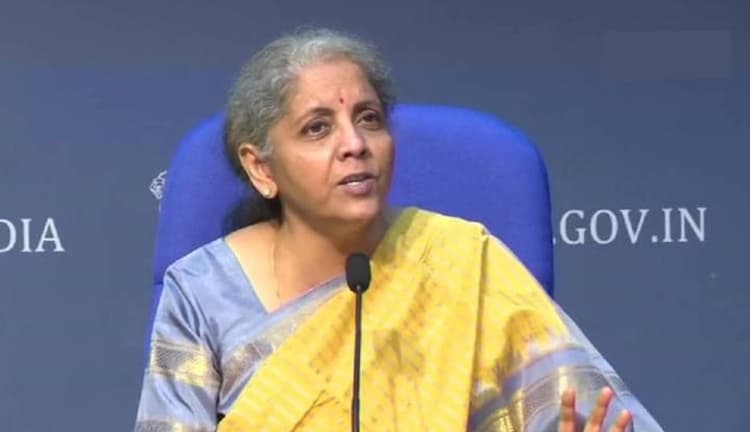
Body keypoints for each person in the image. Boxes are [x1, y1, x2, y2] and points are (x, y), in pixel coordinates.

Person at [134, 28, 664, 431]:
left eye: (369, 118)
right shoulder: (202, 293)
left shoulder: (461, 261)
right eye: (318, 128)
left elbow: (586, 412)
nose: (354, 144)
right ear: (261, 169)